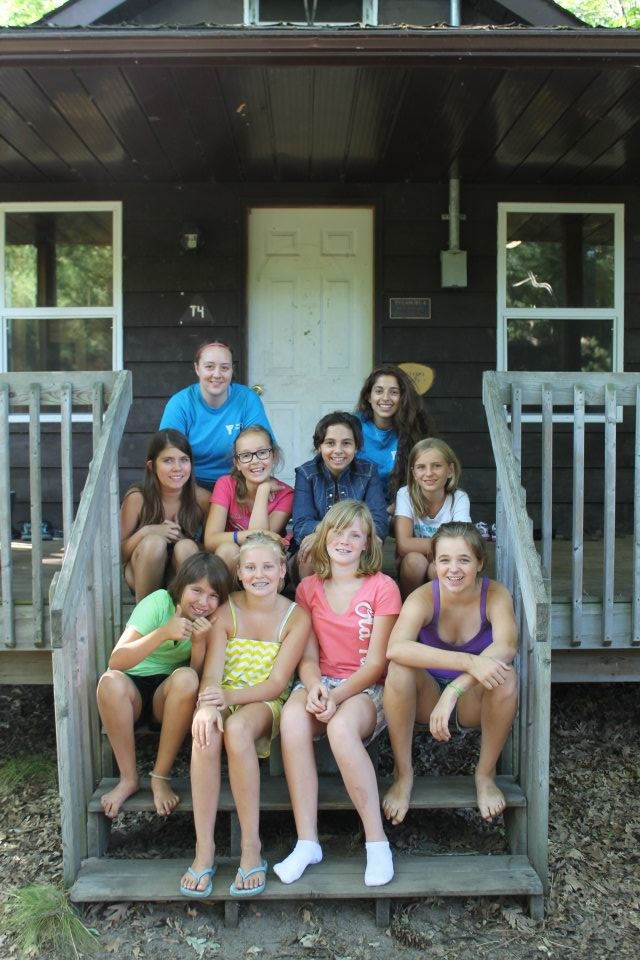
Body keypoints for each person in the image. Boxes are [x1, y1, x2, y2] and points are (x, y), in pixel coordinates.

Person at [274, 500, 401, 888]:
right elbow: (307, 655)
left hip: (366, 687)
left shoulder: (383, 587)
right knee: (293, 718)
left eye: (355, 534)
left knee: (342, 729)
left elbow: (377, 663)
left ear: (367, 544)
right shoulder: (309, 589)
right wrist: (313, 686)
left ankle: (377, 843)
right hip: (321, 681)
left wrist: (338, 694)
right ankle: (307, 840)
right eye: (337, 531)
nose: (344, 540)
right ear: (324, 536)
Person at [180, 532, 310, 899]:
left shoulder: (295, 617)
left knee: (237, 729)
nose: (259, 574)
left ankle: (251, 848)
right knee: (205, 734)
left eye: (268, 566)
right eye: (250, 567)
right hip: (223, 693)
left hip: (263, 701)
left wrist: (227, 698)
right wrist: (207, 705)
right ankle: (204, 849)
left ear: (283, 570)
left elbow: (276, 683)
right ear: (238, 573)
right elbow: (211, 671)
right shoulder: (226, 610)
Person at [382, 521, 518, 827]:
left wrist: (455, 689)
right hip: (426, 699)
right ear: (434, 563)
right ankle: (403, 774)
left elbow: (507, 646)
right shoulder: (423, 597)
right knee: (399, 669)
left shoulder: (495, 595)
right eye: (444, 560)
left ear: (480, 562)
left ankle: (485, 775)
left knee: (505, 675)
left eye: (464, 560)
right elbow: (396, 647)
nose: (453, 569)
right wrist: (469, 663)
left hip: (472, 701)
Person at [96, 553, 231, 819]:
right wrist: (162, 633)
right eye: (197, 591)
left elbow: (196, 680)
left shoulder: (213, 621)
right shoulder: (158, 602)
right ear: (181, 586)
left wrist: (199, 644)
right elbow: (117, 660)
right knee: (109, 682)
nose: (203, 602)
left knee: (187, 678)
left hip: (166, 696)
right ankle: (128, 779)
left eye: (213, 595)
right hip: (130, 687)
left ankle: (160, 776)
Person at [159, 341, 274, 489]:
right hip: (189, 484)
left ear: (232, 370)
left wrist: (261, 486)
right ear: (197, 368)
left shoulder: (247, 399)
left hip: (240, 481)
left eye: (225, 368)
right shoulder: (180, 403)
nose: (217, 374)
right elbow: (166, 454)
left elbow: (263, 448)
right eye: (209, 367)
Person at [290, 411, 389, 583]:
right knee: (311, 550)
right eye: (330, 443)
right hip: (317, 550)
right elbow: (301, 525)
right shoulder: (306, 473)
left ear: (357, 446)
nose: (338, 450)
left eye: (346, 443)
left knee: (374, 544)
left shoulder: (368, 472)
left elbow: (378, 523)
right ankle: (309, 608)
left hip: (354, 547)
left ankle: (360, 606)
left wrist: (329, 533)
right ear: (319, 446)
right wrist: (327, 537)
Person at [120, 429, 211, 602]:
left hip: (181, 573)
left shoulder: (202, 499)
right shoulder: (137, 498)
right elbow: (118, 554)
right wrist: (146, 532)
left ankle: (187, 618)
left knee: (186, 546)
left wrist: (182, 538)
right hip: (142, 572)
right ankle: (146, 620)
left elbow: (211, 551)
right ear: (152, 466)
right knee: (154, 542)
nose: (177, 468)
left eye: (184, 460)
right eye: (168, 461)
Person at [204, 426, 293, 576]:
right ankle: (227, 599)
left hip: (264, 568)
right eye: (246, 455)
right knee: (227, 549)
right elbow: (210, 540)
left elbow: (259, 544)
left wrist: (262, 492)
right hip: (229, 564)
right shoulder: (226, 484)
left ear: (274, 455)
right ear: (237, 463)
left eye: (262, 453)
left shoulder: (286, 494)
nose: (255, 461)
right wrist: (249, 535)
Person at [395, 438, 471, 598]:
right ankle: (410, 611)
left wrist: (430, 550)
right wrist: (444, 545)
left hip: (449, 561)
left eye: (437, 466)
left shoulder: (459, 498)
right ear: (414, 473)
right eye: (421, 467)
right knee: (413, 561)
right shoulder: (405, 495)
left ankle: (442, 615)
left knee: (436, 568)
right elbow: (404, 545)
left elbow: (462, 543)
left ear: (450, 470)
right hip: (415, 562)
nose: (429, 473)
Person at [355, 364, 433, 507]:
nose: (386, 398)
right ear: (368, 396)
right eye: (379, 391)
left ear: (403, 397)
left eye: (394, 392)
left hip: (400, 508)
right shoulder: (353, 426)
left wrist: (396, 509)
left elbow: (424, 477)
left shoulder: (415, 429)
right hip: (358, 508)